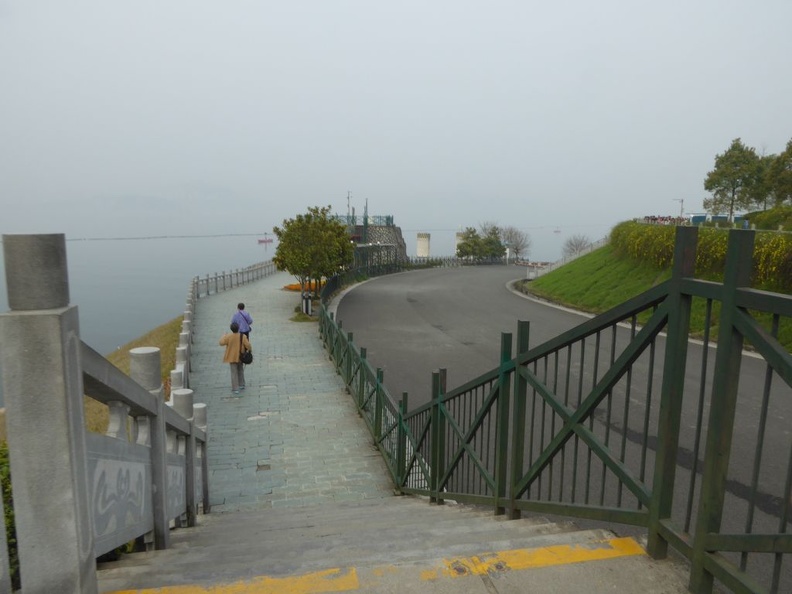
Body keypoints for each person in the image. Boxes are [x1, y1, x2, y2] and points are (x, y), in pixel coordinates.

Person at [219, 322, 251, 395]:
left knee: (234, 372)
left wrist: (224, 335)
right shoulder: (242, 336)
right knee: (240, 370)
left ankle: (235, 388)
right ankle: (242, 384)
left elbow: (221, 343)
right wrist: (249, 350)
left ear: (231, 329)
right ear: (238, 328)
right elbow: (248, 345)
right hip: (240, 356)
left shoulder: (228, 337)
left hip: (231, 357)